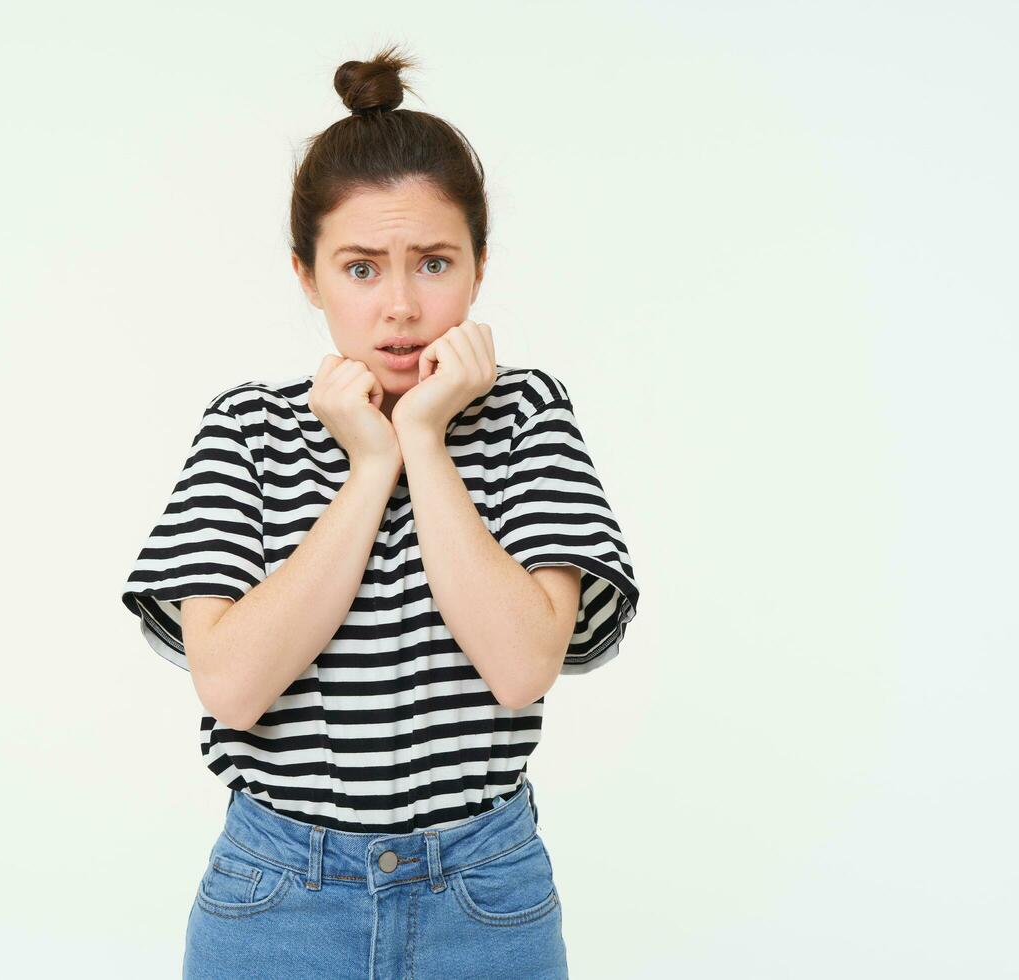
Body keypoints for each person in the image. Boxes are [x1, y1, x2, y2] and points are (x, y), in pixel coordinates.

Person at [119, 43, 641, 979]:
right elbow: (231, 687)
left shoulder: (528, 418)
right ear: (307, 276)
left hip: (484, 898)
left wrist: (427, 441)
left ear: (479, 268)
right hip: (276, 898)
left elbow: (524, 667)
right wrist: (368, 466)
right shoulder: (246, 429)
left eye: (433, 263)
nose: (401, 306)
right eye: (361, 269)